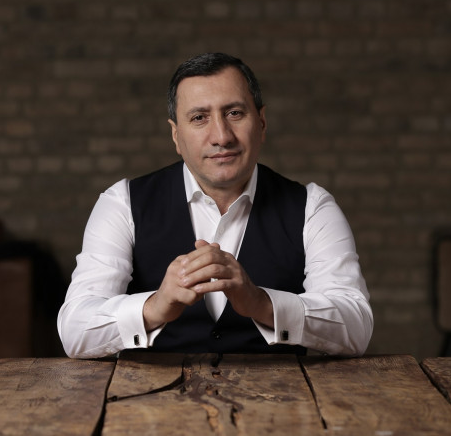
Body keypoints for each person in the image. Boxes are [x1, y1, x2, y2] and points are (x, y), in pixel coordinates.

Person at [58, 52, 373, 357]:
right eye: (199, 118)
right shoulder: (122, 203)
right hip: (147, 395)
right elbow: (75, 330)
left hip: (282, 393)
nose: (221, 136)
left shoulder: (312, 207)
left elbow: (357, 326)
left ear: (262, 123)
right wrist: (154, 307)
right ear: (176, 135)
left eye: (234, 113)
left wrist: (262, 304)